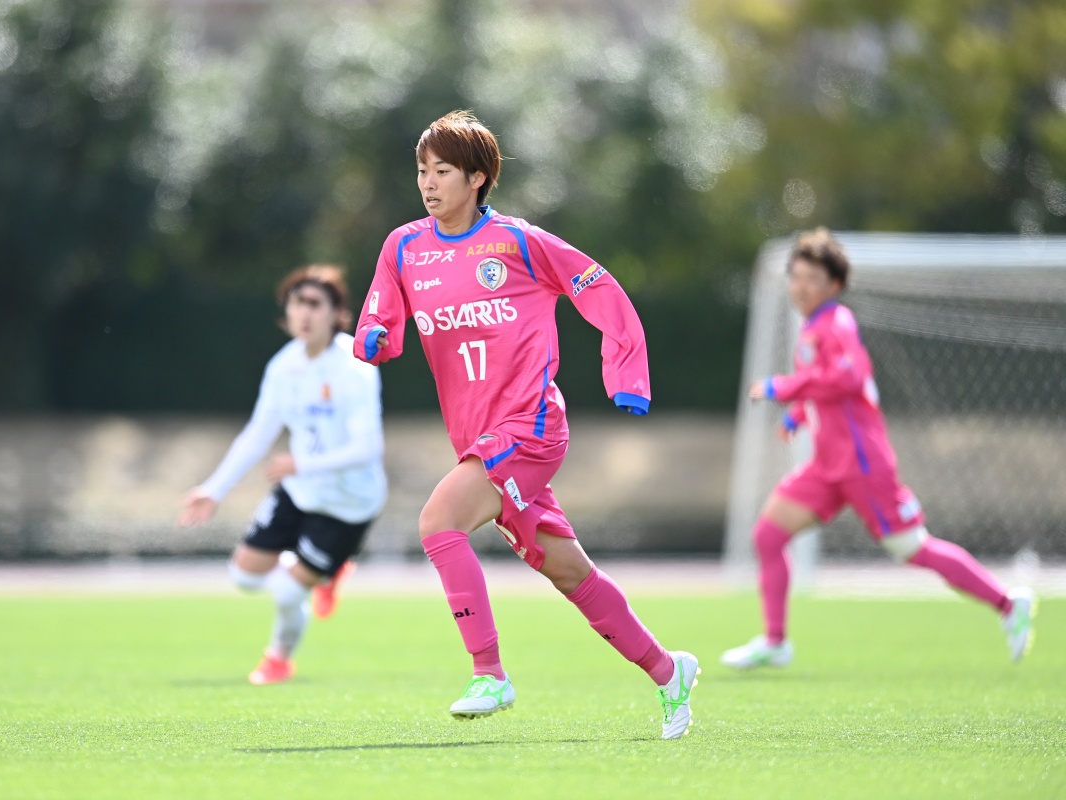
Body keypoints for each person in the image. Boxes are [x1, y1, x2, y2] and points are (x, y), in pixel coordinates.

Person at [353, 110, 699, 739]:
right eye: (422, 170)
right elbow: (380, 317)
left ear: (477, 178)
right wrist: (373, 337)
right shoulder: (403, 247)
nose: (428, 182)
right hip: (477, 441)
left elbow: (598, 286)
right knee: (568, 571)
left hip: (531, 428)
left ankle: (490, 673)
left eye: (443, 171)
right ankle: (668, 669)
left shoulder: (518, 242)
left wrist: (626, 372)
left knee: (438, 522)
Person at [721, 228, 1036, 670]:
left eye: (812, 279)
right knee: (768, 535)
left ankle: (1008, 603)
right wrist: (798, 414)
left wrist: (785, 387)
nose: (801, 287)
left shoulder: (837, 323)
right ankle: (775, 642)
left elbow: (847, 377)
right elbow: (827, 389)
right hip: (827, 467)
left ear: (834, 285)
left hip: (862, 464)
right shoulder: (812, 328)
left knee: (913, 549)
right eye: (796, 277)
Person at [179, 265, 387, 684]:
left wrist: (302, 464)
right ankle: (325, 571)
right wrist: (214, 489)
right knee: (243, 576)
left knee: (291, 591)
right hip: (300, 489)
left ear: (336, 313)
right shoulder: (283, 366)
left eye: (315, 304)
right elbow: (258, 433)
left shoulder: (355, 365)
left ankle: (278, 658)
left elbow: (368, 448)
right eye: (297, 303)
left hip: (349, 503)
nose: (304, 313)